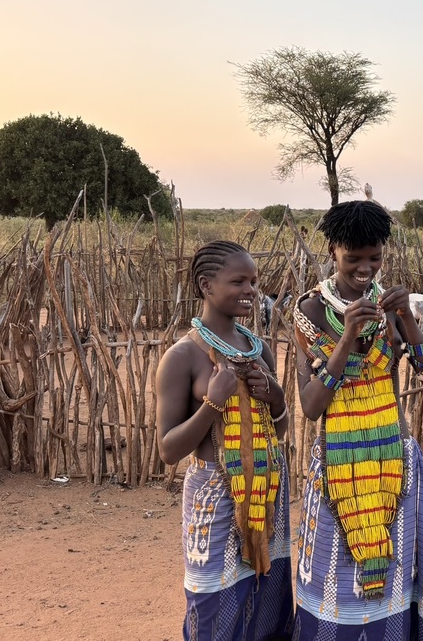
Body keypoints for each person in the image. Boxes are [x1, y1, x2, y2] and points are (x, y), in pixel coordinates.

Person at [291, 201, 423, 639]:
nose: (365, 268)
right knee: (335, 577)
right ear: (332, 251)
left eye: (375, 258)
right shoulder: (310, 312)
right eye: (353, 258)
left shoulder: (395, 309)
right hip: (337, 469)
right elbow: (310, 406)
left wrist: (406, 319)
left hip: (394, 465)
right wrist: (346, 337)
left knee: (396, 579)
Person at [157, 240, 293, 640]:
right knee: (214, 602)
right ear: (206, 285)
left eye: (254, 281)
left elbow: (278, 431)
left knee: (267, 598)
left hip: (268, 492)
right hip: (216, 494)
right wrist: (212, 405)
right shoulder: (183, 357)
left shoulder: (260, 349)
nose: (251, 290)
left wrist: (277, 396)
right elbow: (168, 450)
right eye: (239, 281)